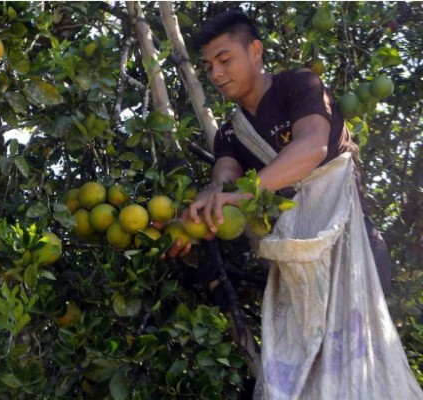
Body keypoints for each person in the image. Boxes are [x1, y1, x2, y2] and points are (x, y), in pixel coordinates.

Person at [169, 10, 423, 400]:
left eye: (224, 60)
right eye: (208, 66)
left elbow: (312, 147)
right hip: (299, 268)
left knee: (359, 368)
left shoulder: (297, 85)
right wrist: (195, 214)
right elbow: (223, 177)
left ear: (255, 51)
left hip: (353, 248)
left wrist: (245, 192)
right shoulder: (230, 133)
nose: (216, 74)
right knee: (306, 376)